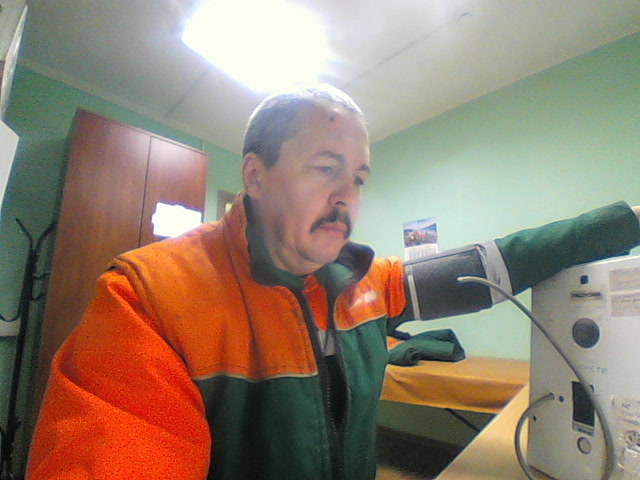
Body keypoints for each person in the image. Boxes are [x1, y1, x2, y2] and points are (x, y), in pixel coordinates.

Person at [27, 85, 640, 480]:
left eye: (360, 178)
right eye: (325, 169)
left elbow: (495, 263)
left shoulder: (366, 281)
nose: (347, 195)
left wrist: (628, 223)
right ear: (255, 176)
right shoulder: (146, 299)